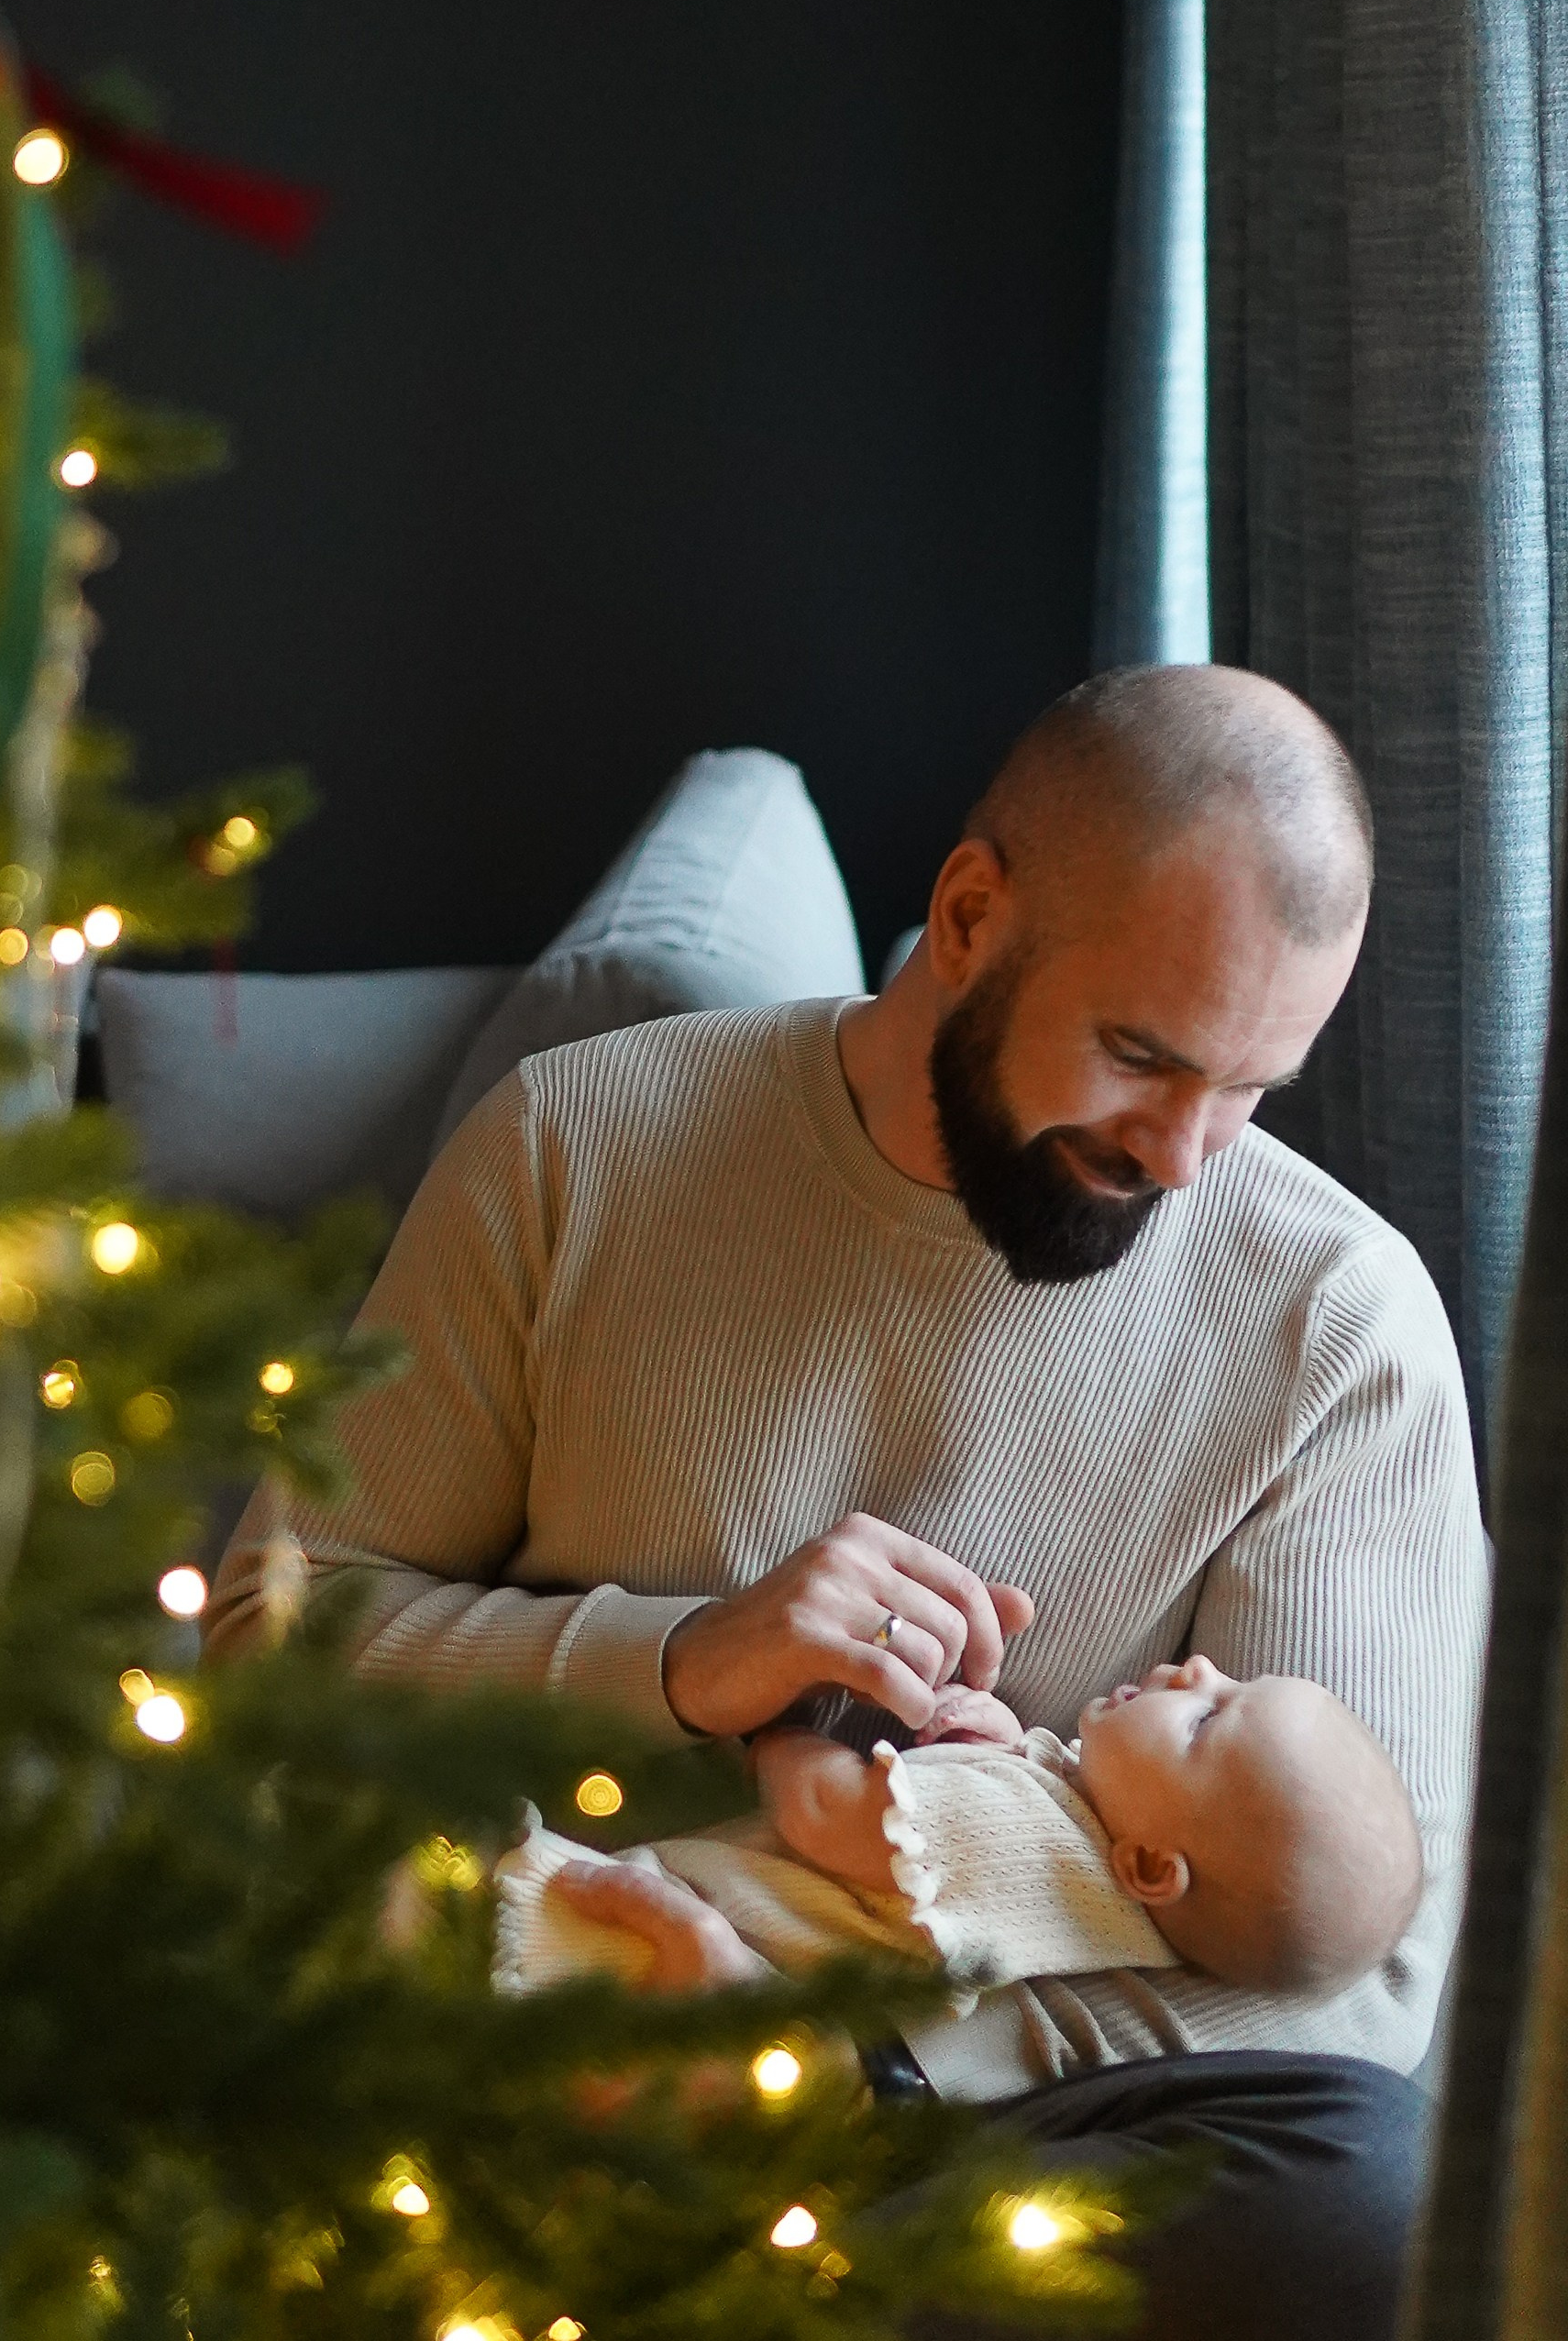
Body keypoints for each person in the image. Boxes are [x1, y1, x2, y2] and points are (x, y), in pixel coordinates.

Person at [209, 665, 1489, 2339]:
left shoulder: (1338, 1323)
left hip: (974, 2135)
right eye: (1141, 1056)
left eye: (1254, 1090)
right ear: (968, 916)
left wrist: (840, 2066)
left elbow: (1360, 1972)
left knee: (1372, 2206)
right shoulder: (576, 1145)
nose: (1187, 1157)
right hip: (551, 2023)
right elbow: (271, 1635)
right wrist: (679, 1663)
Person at [497, 1650, 1425, 2013]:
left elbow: (823, 1814)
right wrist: (986, 1740)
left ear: (1147, 1864)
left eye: (1207, 1720)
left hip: (631, 1945)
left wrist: (786, 1712)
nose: (1200, 1669)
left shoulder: (1024, 1841)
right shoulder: (1098, 1902)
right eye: (1231, 1679)